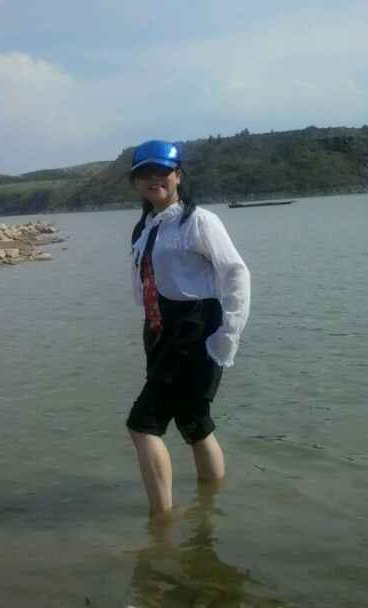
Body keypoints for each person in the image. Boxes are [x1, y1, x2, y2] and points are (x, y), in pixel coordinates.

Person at [127, 139, 251, 515]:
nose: (154, 179)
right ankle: (209, 513)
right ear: (135, 181)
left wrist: (229, 333)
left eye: (162, 171)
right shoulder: (145, 226)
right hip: (160, 330)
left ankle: (161, 523)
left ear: (178, 175)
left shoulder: (199, 221)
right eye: (145, 173)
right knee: (194, 422)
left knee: (142, 424)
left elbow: (236, 273)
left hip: (193, 330)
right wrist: (152, 330)